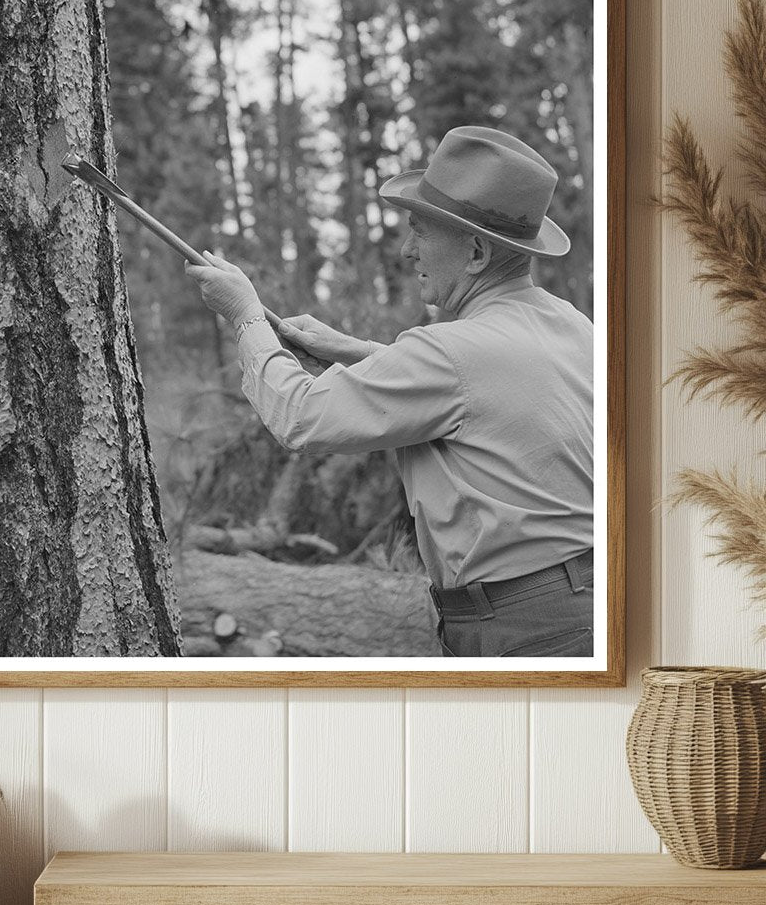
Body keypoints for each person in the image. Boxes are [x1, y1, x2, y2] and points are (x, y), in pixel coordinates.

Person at [185, 125, 594, 658]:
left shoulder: (450, 352)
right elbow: (484, 391)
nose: (406, 250)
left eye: (420, 232)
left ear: (475, 253)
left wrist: (245, 316)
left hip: (523, 627)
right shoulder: (571, 325)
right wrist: (355, 350)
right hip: (585, 601)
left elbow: (301, 416)